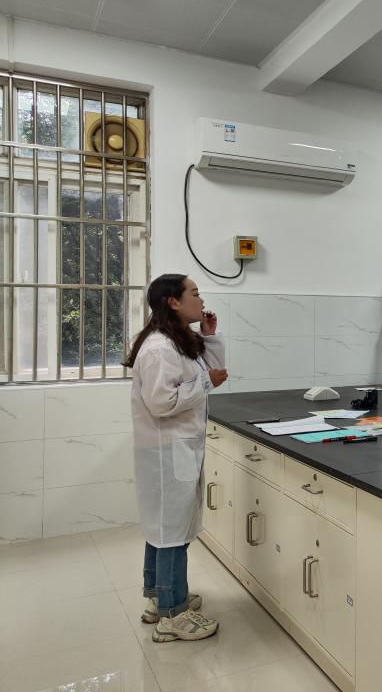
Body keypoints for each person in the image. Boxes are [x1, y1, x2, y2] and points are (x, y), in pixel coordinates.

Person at [125, 274, 227, 642]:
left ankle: (159, 598)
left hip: (175, 448)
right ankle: (173, 614)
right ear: (173, 302)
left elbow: (212, 373)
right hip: (167, 451)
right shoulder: (159, 348)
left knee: (164, 528)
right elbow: (162, 402)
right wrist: (205, 382)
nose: (201, 300)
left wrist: (209, 336)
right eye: (194, 293)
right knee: (171, 533)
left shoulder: (176, 341)